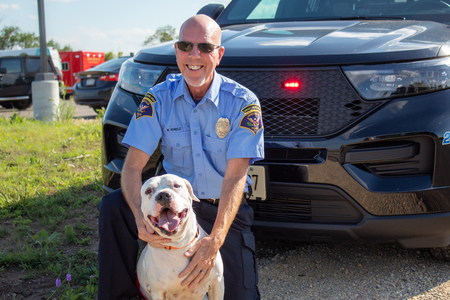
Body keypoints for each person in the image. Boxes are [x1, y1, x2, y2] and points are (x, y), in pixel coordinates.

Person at [97, 14, 264, 300]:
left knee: (240, 296)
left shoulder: (243, 102)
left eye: (205, 47)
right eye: (186, 46)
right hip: (171, 204)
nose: (194, 55)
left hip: (219, 210)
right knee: (114, 206)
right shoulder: (158, 98)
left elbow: (235, 177)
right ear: (176, 51)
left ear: (219, 54)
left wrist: (215, 241)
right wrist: (140, 216)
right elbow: (132, 167)